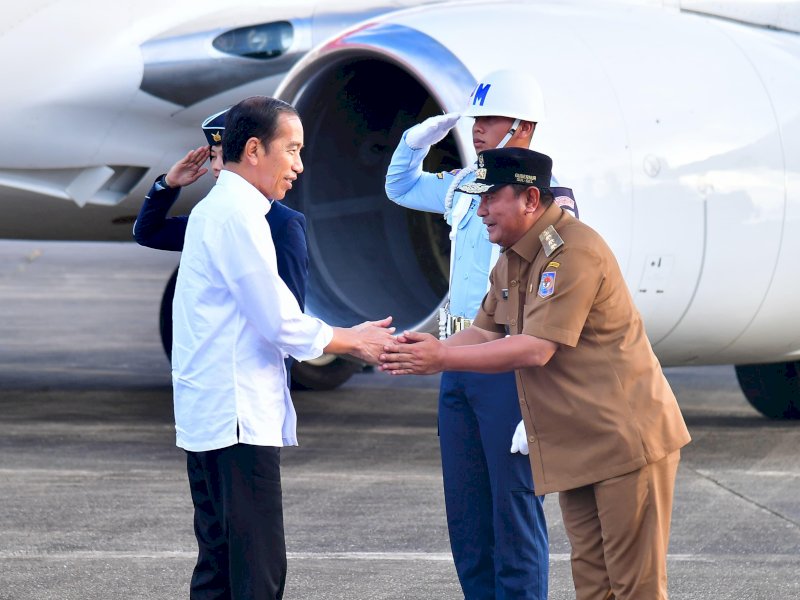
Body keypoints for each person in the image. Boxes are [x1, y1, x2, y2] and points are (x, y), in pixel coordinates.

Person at [380, 147, 692, 600]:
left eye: (490, 198)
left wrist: (442, 360)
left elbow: (536, 348)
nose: (481, 209)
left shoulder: (572, 251)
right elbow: (487, 332)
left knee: (635, 589)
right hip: (580, 445)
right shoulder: (512, 256)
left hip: (626, 444)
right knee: (594, 585)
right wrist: (427, 349)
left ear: (530, 198)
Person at [171, 95, 394, 600]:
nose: (298, 164)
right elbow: (278, 321)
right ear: (253, 149)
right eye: (291, 149)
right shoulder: (236, 215)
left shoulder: (221, 208)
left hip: (214, 413)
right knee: (257, 569)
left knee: (221, 565)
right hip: (236, 417)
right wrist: (351, 341)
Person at [384, 69, 559, 599]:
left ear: (522, 127)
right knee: (467, 514)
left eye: (490, 118)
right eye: (476, 118)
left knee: (514, 513)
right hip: (457, 355)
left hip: (508, 361)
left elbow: (552, 305)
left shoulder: (546, 198)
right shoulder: (464, 184)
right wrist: (414, 142)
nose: (477, 128)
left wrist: (540, 403)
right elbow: (400, 186)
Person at [133, 109, 309, 379]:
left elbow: (290, 315)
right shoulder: (212, 218)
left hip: (255, 380)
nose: (216, 166)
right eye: (213, 156)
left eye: (223, 156)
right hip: (211, 375)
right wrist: (168, 185)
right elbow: (149, 233)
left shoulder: (283, 224)